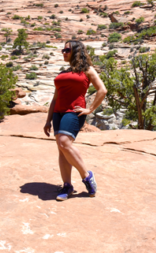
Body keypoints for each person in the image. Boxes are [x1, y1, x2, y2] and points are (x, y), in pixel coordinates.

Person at [44, 40, 107, 201]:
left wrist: (90, 109)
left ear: (76, 52)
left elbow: (102, 90)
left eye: (67, 49)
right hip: (58, 113)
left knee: (64, 143)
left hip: (73, 112)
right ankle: (67, 186)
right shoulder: (63, 72)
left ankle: (87, 176)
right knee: (62, 149)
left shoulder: (88, 70)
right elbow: (54, 98)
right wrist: (48, 120)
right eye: (63, 50)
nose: (63, 52)